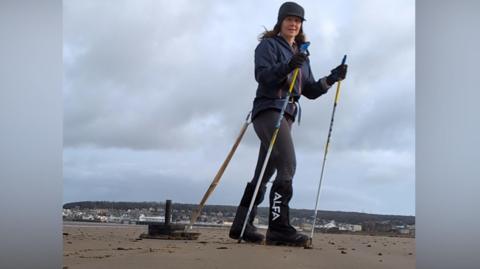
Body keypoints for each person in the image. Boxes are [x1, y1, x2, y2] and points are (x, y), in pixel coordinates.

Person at [228, 2, 348, 246]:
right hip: (269, 109)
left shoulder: (302, 54)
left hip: (288, 113)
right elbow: (262, 76)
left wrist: (332, 78)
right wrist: (287, 66)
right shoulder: (268, 45)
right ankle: (279, 229)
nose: (294, 24)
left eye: (298, 21)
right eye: (289, 19)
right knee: (287, 163)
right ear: (280, 22)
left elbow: (310, 91)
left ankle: (242, 225)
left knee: (266, 170)